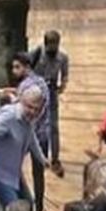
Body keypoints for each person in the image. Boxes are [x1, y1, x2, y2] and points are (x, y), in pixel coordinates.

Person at [0, 86, 54, 210]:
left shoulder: (29, 120)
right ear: (22, 102)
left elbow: (31, 138)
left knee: (27, 205)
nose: (33, 112)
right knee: (14, 209)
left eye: (37, 109)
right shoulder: (9, 117)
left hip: (13, 171)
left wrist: (42, 159)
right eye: (29, 107)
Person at [8, 51, 54, 211]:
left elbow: (20, 111)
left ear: (27, 67)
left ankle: (19, 203)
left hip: (27, 134)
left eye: (17, 67)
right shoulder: (41, 82)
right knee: (38, 173)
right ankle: (40, 209)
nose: (14, 71)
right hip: (43, 133)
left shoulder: (24, 87)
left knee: (14, 167)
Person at [30, 30, 70, 177]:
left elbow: (65, 74)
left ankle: (55, 159)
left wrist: (62, 86)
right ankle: (40, 154)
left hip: (52, 90)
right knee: (37, 122)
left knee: (53, 126)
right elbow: (27, 67)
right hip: (37, 89)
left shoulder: (62, 57)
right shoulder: (37, 53)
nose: (52, 50)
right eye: (50, 47)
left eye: (55, 46)